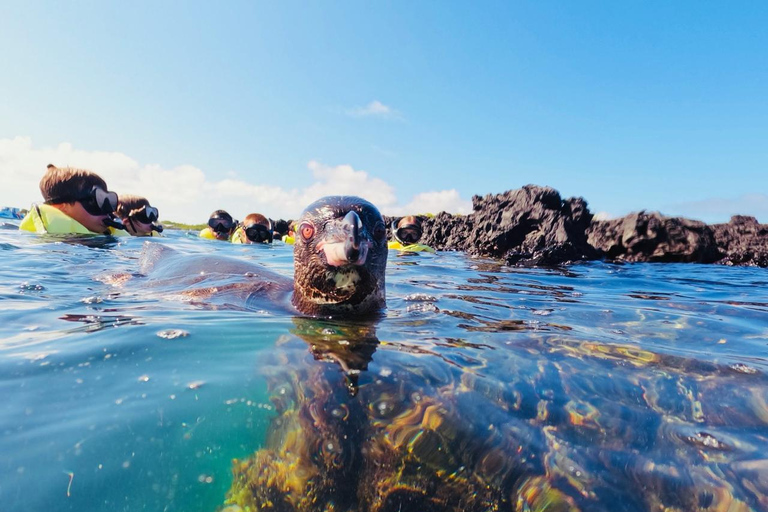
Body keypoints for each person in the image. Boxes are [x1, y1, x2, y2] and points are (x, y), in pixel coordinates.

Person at [19, 164, 125, 235]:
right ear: (62, 208)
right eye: (95, 201)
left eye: (107, 201)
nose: (106, 211)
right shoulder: (54, 248)